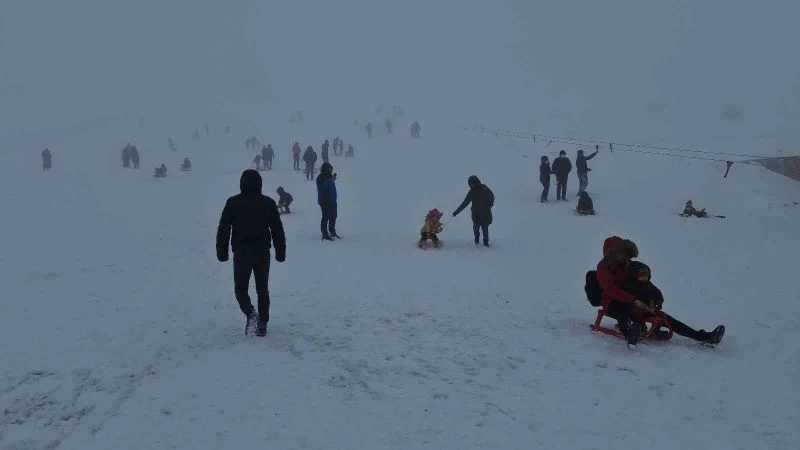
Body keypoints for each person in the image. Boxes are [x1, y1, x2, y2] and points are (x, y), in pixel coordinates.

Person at [216, 169, 286, 337]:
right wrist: (280, 251)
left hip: (242, 253)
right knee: (262, 289)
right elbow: (277, 230)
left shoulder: (233, 203)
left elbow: (223, 229)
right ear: (259, 184)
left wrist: (222, 251)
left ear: (242, 184)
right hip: (262, 252)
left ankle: (251, 313)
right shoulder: (267, 203)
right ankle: (262, 323)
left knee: (241, 289)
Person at [624, 261, 725, 345]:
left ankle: (705, 337)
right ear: (634, 275)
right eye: (641, 275)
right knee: (637, 317)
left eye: (646, 275)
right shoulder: (630, 286)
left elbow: (657, 293)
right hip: (636, 313)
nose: (644, 278)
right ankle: (635, 332)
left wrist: (658, 302)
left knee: (673, 322)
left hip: (650, 311)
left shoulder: (648, 285)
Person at [453, 175, 495, 247]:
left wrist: (489, 205)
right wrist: (457, 212)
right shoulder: (471, 192)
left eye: (473, 183)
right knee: (475, 228)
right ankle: (477, 239)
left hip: (485, 214)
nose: (471, 185)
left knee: (485, 230)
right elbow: (465, 203)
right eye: (470, 184)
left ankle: (486, 243)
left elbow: (492, 197)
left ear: (476, 182)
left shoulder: (484, 189)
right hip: (476, 214)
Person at [316, 162, 339, 240]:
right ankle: (324, 234)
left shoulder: (329, 176)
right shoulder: (320, 177)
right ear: (325, 169)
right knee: (325, 217)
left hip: (332, 200)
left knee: (333, 216)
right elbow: (321, 187)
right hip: (324, 201)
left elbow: (330, 186)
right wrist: (330, 181)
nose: (329, 170)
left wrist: (332, 179)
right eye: (328, 168)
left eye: (330, 168)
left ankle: (332, 231)